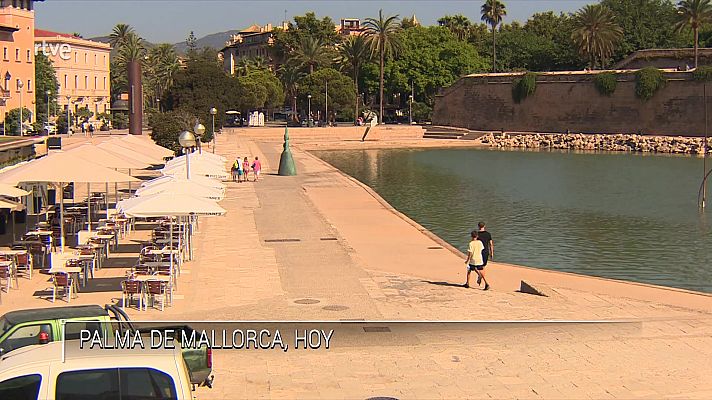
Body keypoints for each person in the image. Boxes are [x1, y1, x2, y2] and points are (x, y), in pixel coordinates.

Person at [476, 222, 494, 286]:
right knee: (483, 266)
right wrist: (492, 253)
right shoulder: (488, 234)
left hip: (479, 251)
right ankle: (481, 276)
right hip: (486, 251)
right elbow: (491, 244)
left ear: (478, 226)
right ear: (485, 226)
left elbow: (474, 243)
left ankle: (479, 275)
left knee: (476, 266)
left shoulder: (477, 234)